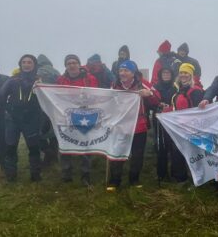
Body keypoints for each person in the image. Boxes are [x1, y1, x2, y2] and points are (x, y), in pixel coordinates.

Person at [0, 54, 43, 182]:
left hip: (31, 119)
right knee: (10, 147)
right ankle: (11, 176)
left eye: (29, 62)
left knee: (34, 147)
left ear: (34, 65)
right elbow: (0, 95)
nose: (26, 64)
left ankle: (35, 176)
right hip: (13, 119)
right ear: (20, 65)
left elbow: (48, 100)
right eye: (24, 62)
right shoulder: (12, 80)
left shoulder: (40, 81)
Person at [109, 60, 160, 187]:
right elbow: (108, 103)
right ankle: (115, 181)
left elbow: (157, 98)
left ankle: (134, 180)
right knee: (117, 152)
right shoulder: (114, 85)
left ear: (133, 73)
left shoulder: (142, 84)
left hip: (139, 126)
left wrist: (149, 94)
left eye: (126, 70)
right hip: (120, 126)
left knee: (137, 155)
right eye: (121, 70)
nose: (122, 73)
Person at [56, 54, 99, 185]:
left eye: (74, 62)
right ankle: (66, 174)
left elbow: (96, 95)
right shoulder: (61, 80)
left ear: (79, 64)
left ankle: (85, 175)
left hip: (85, 115)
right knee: (65, 144)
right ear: (65, 66)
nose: (72, 65)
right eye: (69, 63)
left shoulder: (90, 78)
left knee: (85, 146)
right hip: (66, 116)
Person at [165, 63, 204, 182]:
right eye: (181, 72)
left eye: (186, 73)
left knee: (193, 154)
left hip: (191, 128)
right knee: (178, 151)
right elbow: (175, 108)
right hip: (179, 128)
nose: (183, 75)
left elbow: (197, 111)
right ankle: (179, 178)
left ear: (191, 75)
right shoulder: (178, 90)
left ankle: (197, 178)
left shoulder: (196, 91)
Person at [153, 66, 178, 181]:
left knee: (174, 147)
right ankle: (161, 174)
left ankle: (175, 173)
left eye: (168, 73)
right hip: (159, 120)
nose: (166, 75)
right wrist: (159, 105)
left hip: (173, 120)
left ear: (172, 75)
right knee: (161, 147)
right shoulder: (155, 87)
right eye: (164, 73)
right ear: (160, 75)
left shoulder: (176, 87)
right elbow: (150, 102)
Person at [36, 54, 61, 167]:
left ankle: (47, 154)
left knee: (39, 131)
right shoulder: (56, 72)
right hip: (54, 104)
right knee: (53, 132)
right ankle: (53, 155)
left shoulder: (38, 72)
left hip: (40, 105)